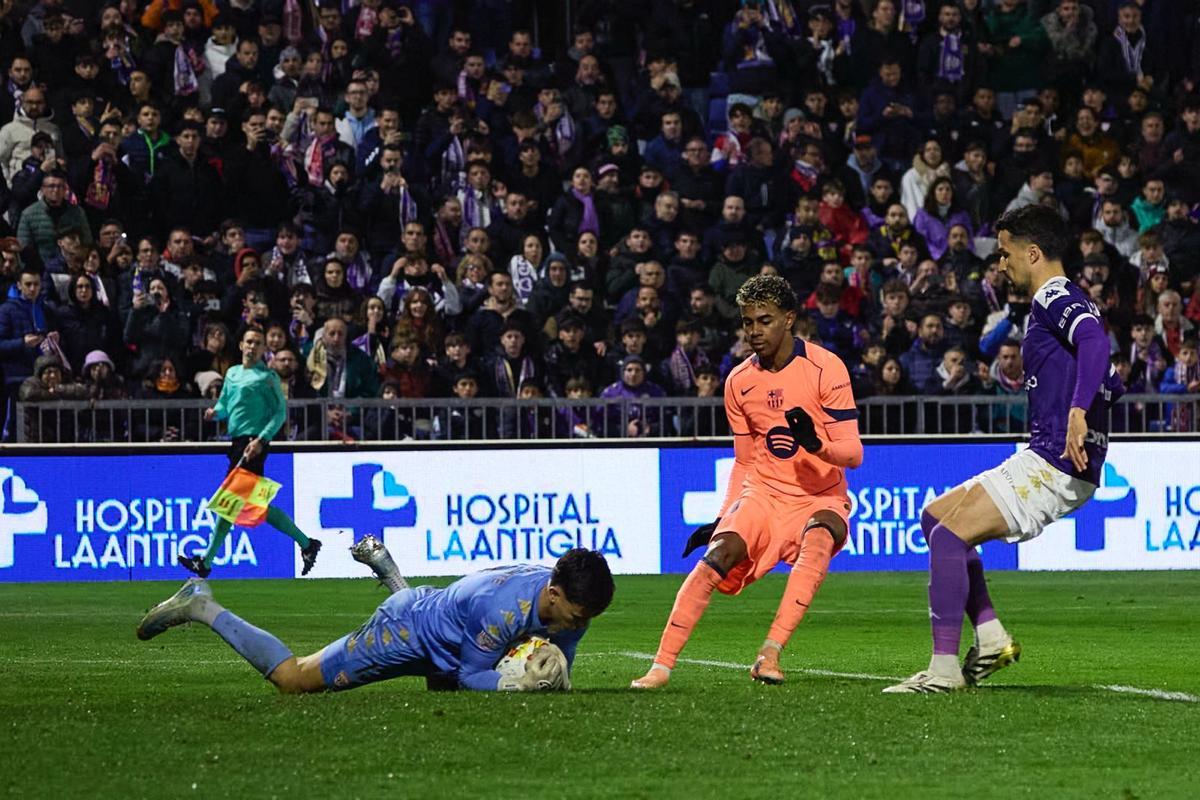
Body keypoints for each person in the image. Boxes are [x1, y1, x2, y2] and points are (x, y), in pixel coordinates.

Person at [884, 205, 1125, 694]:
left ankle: (945, 670)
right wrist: (1085, 408)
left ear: (1031, 252)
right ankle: (990, 636)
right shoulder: (1061, 303)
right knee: (935, 519)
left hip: (1053, 463)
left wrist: (1077, 415)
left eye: (1004, 252)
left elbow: (1097, 344)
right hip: (1049, 455)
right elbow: (1112, 382)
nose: (999, 264)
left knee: (950, 538)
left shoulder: (1056, 295)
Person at [631, 274, 863, 689]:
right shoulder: (739, 381)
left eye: (765, 320)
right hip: (764, 494)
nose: (754, 331)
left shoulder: (826, 368)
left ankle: (770, 653)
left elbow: (853, 454)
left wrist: (817, 446)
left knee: (820, 539)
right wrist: (723, 519)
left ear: (789, 319)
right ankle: (660, 667)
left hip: (819, 496)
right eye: (747, 322)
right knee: (717, 557)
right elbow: (743, 461)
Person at [138, 548, 614, 694]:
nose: (580, 624)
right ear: (553, 593)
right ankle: (203, 605)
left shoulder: (572, 602)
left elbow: (561, 656)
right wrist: (516, 687)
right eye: (577, 614)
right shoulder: (502, 609)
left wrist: (561, 681)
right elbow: (472, 675)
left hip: (445, 625)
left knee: (443, 693)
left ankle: (391, 573)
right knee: (295, 680)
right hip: (407, 632)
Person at [177, 326, 322, 579]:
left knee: (232, 504)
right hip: (237, 442)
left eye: (258, 343)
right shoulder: (232, 373)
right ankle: (307, 544)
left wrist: (262, 440)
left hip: (253, 445)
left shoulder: (267, 377)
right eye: (249, 341)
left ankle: (207, 562)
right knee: (243, 506)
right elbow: (225, 405)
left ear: (264, 349)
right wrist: (215, 413)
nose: (252, 346)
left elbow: (279, 413)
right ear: (241, 345)